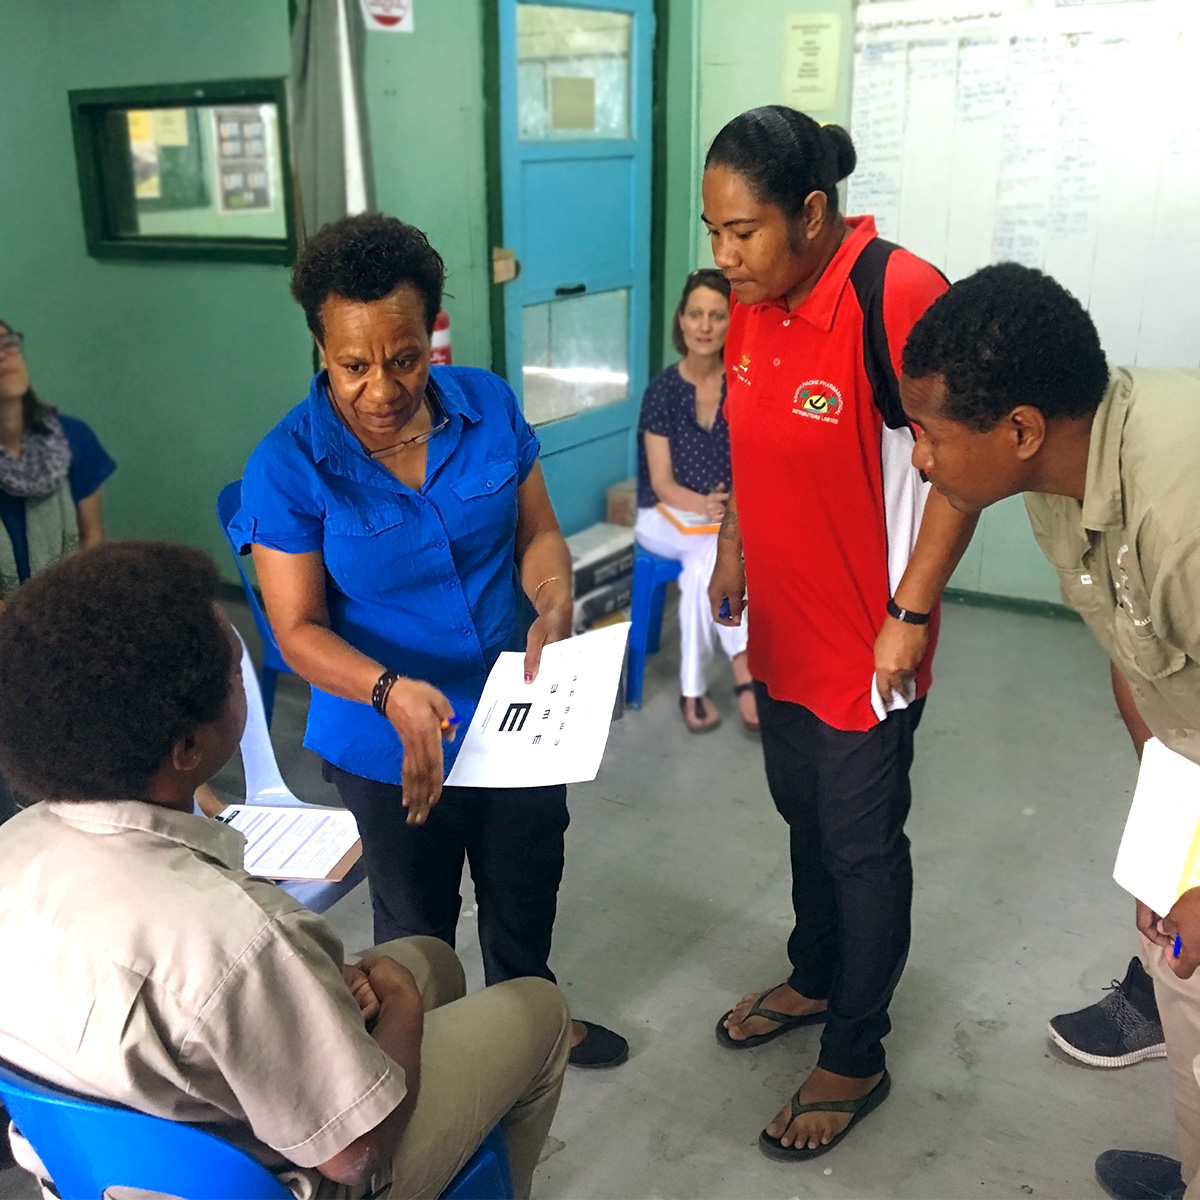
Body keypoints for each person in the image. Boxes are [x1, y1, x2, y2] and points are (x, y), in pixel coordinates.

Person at [0, 541, 570, 1199]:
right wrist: (401, 1011)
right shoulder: (240, 935)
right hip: (284, 1179)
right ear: (186, 748)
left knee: (429, 957)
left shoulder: (14, 850)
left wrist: (322, 992)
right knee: (539, 1009)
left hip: (102, 1168)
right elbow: (354, 1154)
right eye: (233, 673)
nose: (241, 676)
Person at [231, 213, 627, 1069]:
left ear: (432, 335)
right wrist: (387, 690)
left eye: (404, 358)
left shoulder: (486, 406)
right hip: (385, 732)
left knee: (526, 881)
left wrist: (554, 598)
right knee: (414, 925)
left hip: (515, 712)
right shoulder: (289, 464)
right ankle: (440, 1059)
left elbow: (538, 538)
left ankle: (532, 1022)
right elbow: (296, 630)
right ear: (320, 348)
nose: (381, 389)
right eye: (353, 365)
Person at [701, 106, 978, 1159]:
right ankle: (816, 977)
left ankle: (857, 1050)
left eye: (744, 232)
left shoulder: (896, 295)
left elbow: (966, 466)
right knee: (804, 823)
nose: (723, 257)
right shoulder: (752, 304)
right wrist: (733, 546)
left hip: (871, 651)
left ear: (812, 215)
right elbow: (747, 432)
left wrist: (910, 615)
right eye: (713, 232)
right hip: (782, 636)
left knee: (863, 849)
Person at [900, 262, 1200, 1200]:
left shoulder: (1178, 517)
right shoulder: (1056, 473)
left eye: (929, 437)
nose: (921, 461)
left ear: (1019, 430)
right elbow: (1135, 651)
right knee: (1176, 970)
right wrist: (1172, 845)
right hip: (1186, 758)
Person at [0, 317, 115, 825]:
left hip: (62, 610)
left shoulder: (68, 437)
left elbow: (92, 538)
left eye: (7, 342)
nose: (5, 355)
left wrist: (66, 612)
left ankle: (185, 805)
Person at [633, 268, 758, 733]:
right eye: (695, 314)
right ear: (681, 322)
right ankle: (744, 670)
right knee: (711, 553)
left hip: (720, 521)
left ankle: (691, 689)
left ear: (732, 323)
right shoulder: (662, 392)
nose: (704, 326)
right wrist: (704, 506)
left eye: (717, 316)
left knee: (702, 563)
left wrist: (725, 512)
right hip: (662, 515)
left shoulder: (742, 386)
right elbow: (662, 482)